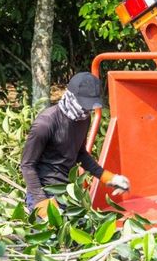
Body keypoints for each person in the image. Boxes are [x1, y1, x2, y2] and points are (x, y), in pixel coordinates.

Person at [21, 72, 130, 217]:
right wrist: (41, 203)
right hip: (43, 190)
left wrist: (108, 177)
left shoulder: (83, 119)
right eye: (84, 104)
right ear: (70, 95)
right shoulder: (45, 124)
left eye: (89, 106)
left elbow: (80, 153)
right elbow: (27, 165)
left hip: (66, 190)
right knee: (52, 237)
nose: (86, 110)